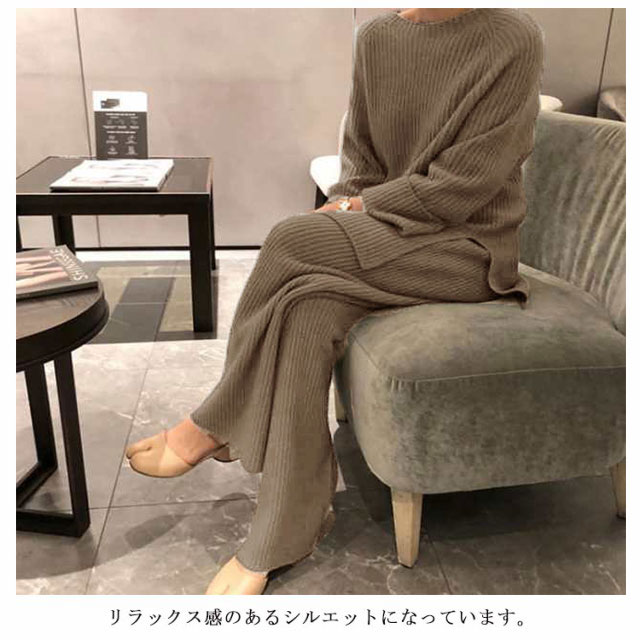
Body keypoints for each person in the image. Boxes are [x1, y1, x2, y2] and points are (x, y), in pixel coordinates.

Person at [125, 7, 544, 595]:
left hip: (469, 248)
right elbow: (361, 158)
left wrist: (358, 210)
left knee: (291, 238)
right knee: (306, 306)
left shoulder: (512, 37)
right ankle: (287, 525)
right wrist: (348, 204)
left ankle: (213, 422)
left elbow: (466, 184)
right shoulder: (377, 37)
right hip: (392, 234)